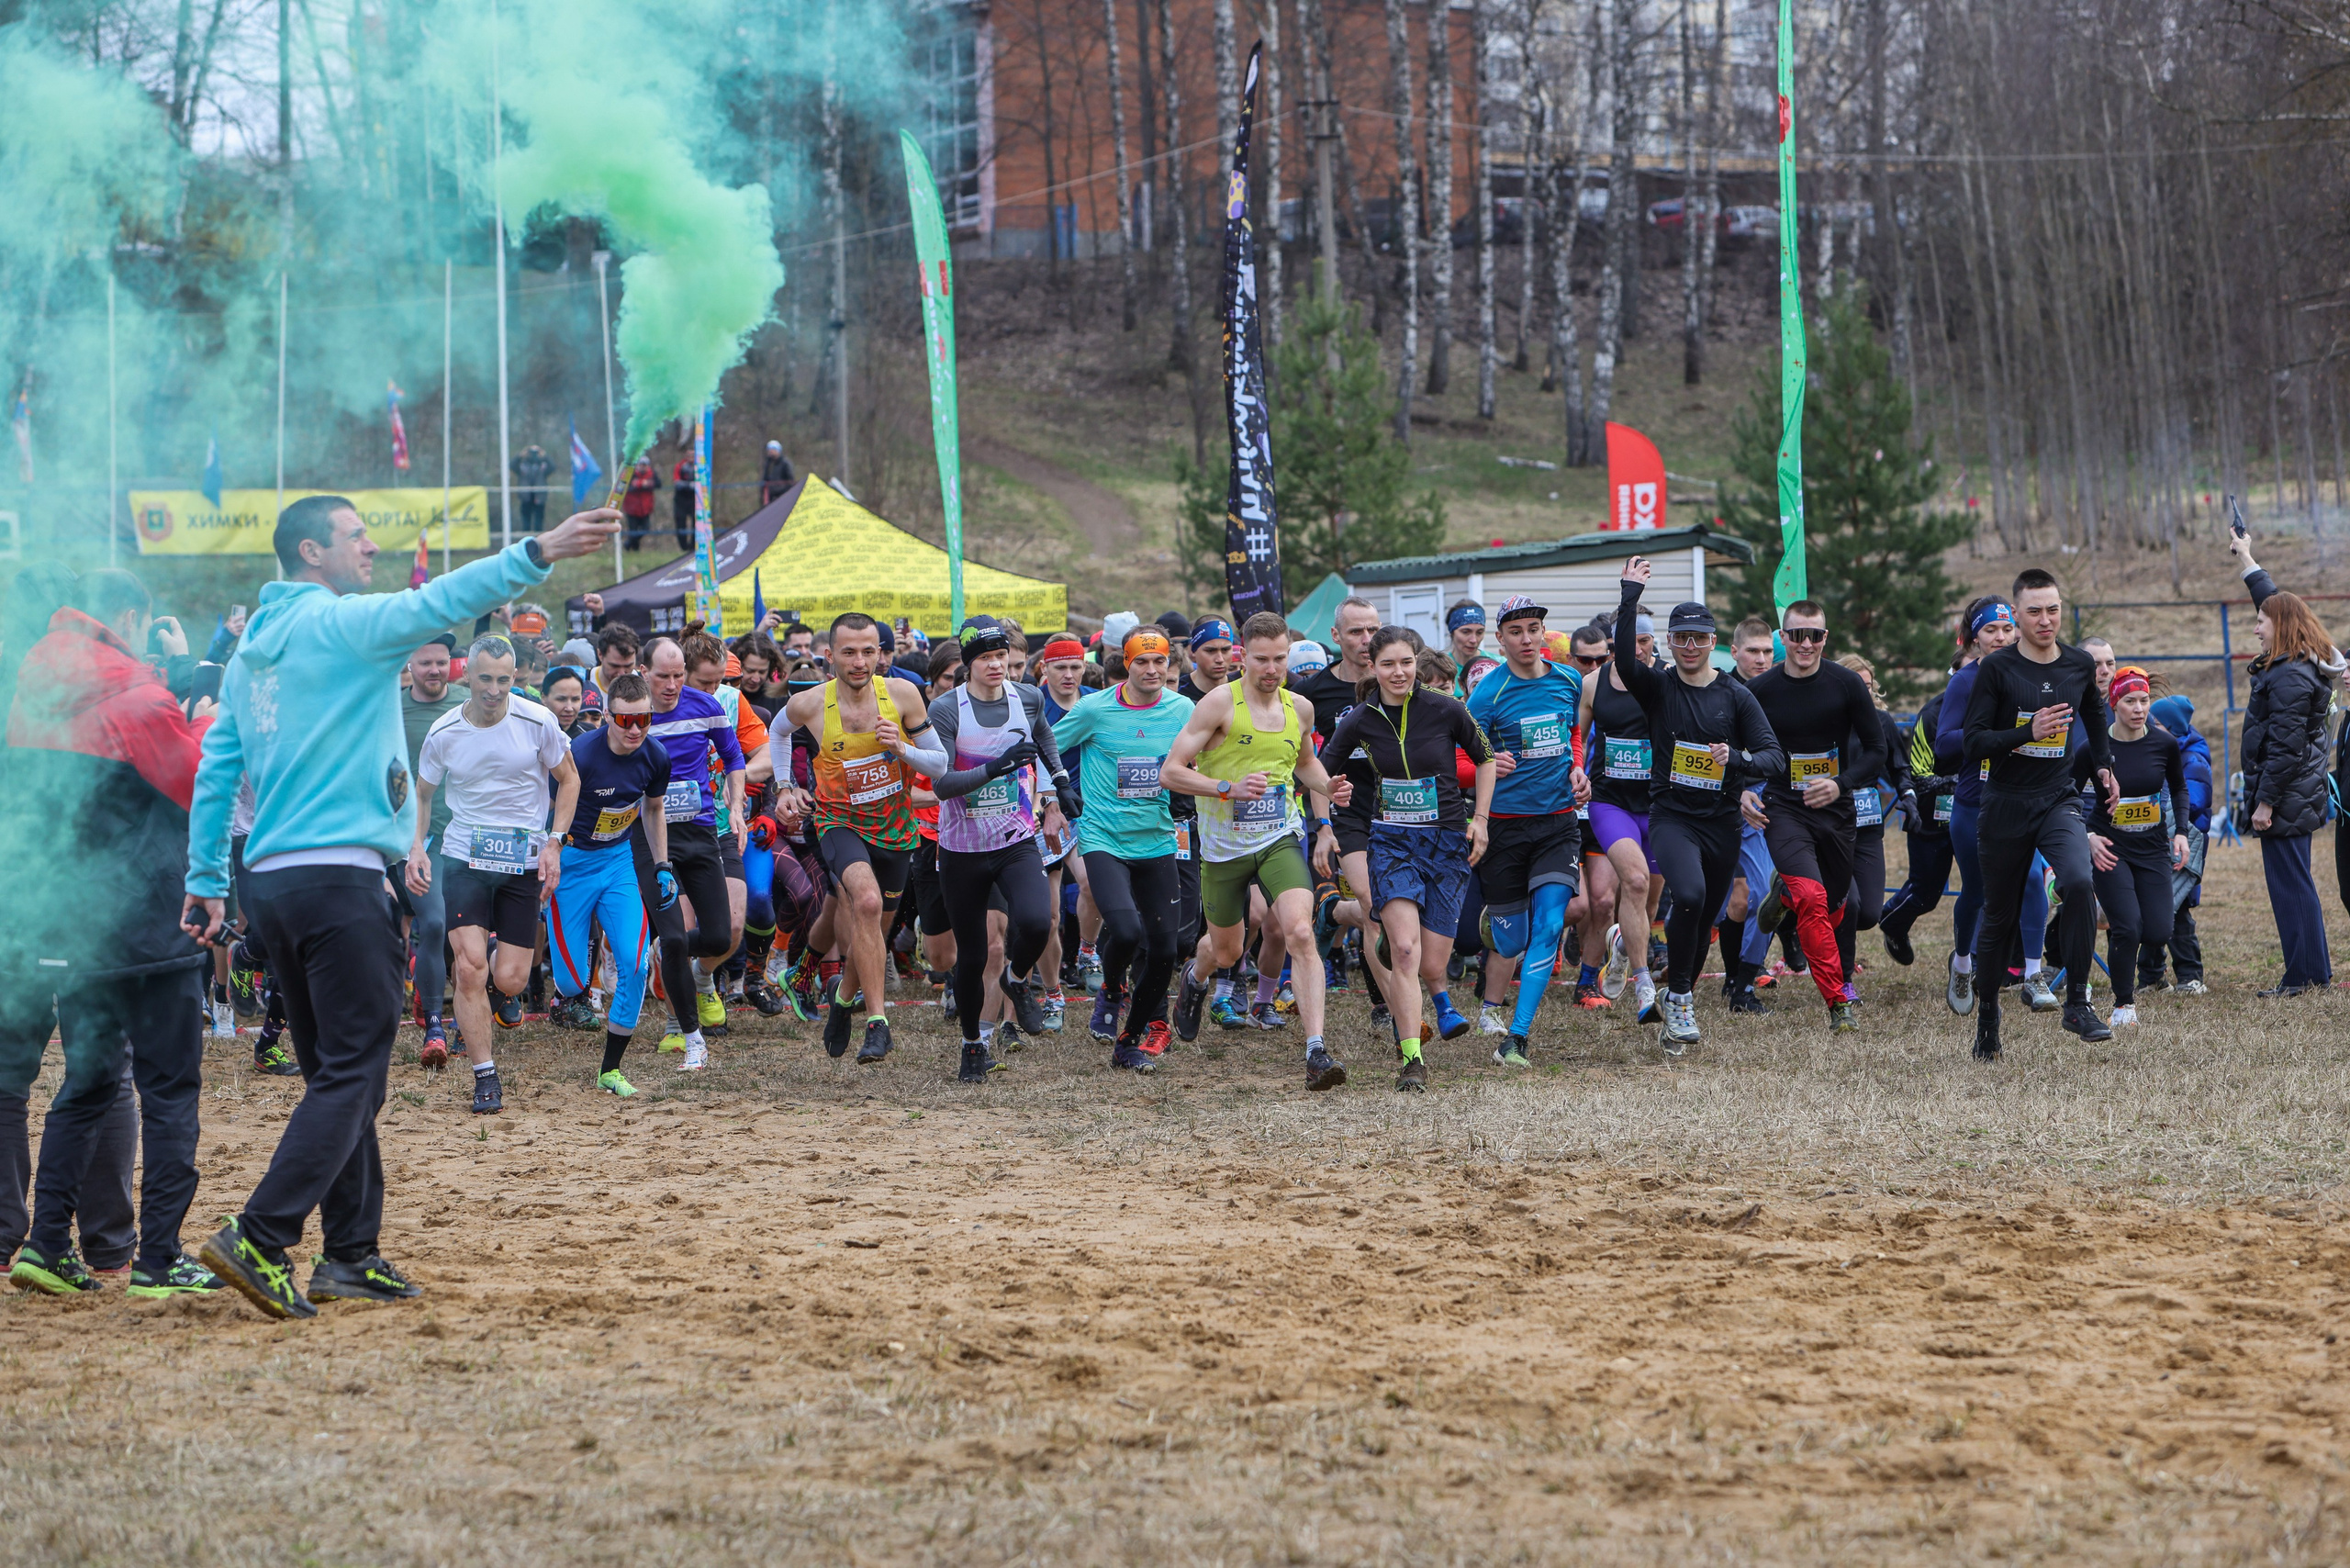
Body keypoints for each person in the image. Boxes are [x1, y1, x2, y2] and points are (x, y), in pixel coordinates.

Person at [183, 494, 619, 1319]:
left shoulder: (247, 658)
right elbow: (437, 604)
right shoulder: (337, 623)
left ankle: (349, 1252)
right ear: (313, 551)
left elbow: (216, 771)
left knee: (336, 1076)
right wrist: (540, 549)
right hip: (338, 879)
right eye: (356, 535)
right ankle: (262, 1237)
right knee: (353, 1071)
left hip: (270, 882)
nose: (372, 546)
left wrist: (206, 878)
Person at [2, 567, 222, 1298]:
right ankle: (158, 1258)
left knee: (89, 1080)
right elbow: (195, 782)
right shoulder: (137, 695)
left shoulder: (35, 681)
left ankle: (43, 1247)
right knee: (168, 1090)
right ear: (131, 617)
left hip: (74, 921)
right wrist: (207, 716)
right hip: (148, 921)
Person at [1165, 612, 1355, 1090]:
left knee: (1299, 931)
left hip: (1278, 837)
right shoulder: (1217, 704)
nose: (1272, 669)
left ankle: (1316, 1050)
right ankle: (1195, 976)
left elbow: (1306, 764)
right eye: (1262, 659)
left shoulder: (1300, 708)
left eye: (1280, 659)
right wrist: (1226, 786)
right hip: (1224, 847)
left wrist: (1327, 787)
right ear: (1241, 656)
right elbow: (1172, 772)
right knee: (1227, 951)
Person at [1609, 560, 1784, 1052]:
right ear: (1668, 643)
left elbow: (1773, 757)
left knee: (1703, 917)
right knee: (1687, 894)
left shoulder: (1736, 695)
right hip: (1672, 815)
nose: (1689, 646)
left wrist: (1738, 760)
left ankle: (1669, 982)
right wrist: (1629, 595)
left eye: (1698, 638)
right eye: (1680, 638)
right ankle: (1681, 998)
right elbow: (1624, 661)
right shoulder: (1659, 686)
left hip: (1721, 821)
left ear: (1714, 644)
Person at [406, 633, 578, 1114]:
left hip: (523, 861)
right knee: (469, 968)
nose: (495, 689)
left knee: (510, 981)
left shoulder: (537, 720)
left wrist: (554, 842)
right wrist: (417, 846)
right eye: (485, 678)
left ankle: (501, 964)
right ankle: (485, 1076)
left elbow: (569, 780)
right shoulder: (444, 732)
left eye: (504, 680)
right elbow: (422, 795)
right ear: (468, 675)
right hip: (465, 858)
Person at [1326, 626, 1494, 1091]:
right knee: (1404, 951)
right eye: (1387, 664)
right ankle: (1412, 1060)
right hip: (1392, 841)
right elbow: (1322, 769)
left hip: (1444, 843)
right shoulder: (1359, 719)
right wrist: (1329, 795)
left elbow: (1486, 758)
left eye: (1405, 663)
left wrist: (1478, 818)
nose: (1398, 673)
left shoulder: (1446, 708)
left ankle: (1404, 955)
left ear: (1416, 662)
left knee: (1432, 963)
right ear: (1371, 666)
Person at [1960, 566, 2118, 1060]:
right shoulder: (1997, 670)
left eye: (2053, 609)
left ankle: (2076, 1003)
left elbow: (2093, 709)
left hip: (2057, 797)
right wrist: (2028, 732)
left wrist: (2105, 764)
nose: (2046, 620)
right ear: (2017, 615)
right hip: (2005, 803)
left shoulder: (2076, 664)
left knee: (2077, 882)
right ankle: (1988, 1016)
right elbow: (1974, 742)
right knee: (1999, 918)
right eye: (2034, 611)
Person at [917, 618, 1079, 1083]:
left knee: (1035, 921)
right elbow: (944, 784)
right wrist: (994, 769)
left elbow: (1043, 735)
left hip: (1014, 840)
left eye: (1002, 657)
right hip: (962, 848)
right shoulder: (947, 709)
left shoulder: (1026, 696)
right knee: (970, 957)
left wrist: (1059, 786)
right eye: (985, 658)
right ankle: (972, 1045)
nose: (997, 665)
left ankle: (1017, 978)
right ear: (968, 664)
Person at [774, 613, 938, 1066]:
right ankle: (878, 1024)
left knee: (873, 931)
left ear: (882, 654)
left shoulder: (903, 695)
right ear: (830, 656)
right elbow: (778, 731)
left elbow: (939, 765)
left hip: (894, 829)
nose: (860, 661)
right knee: (862, 904)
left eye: (869, 651)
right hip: (838, 823)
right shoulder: (811, 704)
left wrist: (903, 748)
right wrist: (785, 786)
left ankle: (843, 1002)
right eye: (849, 652)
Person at [1052, 629, 1194, 1070]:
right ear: (1125, 664)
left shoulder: (1183, 710)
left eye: (1160, 663)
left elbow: (1208, 756)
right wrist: (1052, 800)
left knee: (1165, 951)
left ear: (1170, 665)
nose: (1152, 671)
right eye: (1141, 663)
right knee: (1128, 933)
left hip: (1157, 838)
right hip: (1103, 837)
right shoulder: (1094, 709)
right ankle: (1112, 988)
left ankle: (1129, 1041)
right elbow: (1047, 749)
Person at [1739, 600, 1884, 1030]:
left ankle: (1783, 895)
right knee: (1813, 899)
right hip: (1783, 806)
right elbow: (1729, 750)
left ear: (1825, 638)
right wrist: (1743, 792)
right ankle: (1838, 1002)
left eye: (1815, 635)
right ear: (1783, 639)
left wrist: (1840, 783)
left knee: (1838, 906)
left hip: (1835, 809)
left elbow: (1877, 751)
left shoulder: (1846, 685)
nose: (1806, 643)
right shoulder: (1760, 690)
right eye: (1797, 635)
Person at [1463, 595, 1590, 1066]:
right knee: (1512, 941)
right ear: (1500, 639)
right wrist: (1485, 760)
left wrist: (1578, 769)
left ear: (1543, 633)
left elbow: (1572, 735)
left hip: (1558, 824)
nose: (1526, 639)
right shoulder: (1487, 694)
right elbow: (1457, 755)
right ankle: (1495, 927)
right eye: (1515, 632)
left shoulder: (1568, 680)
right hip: (1504, 829)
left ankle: (1516, 1036)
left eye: (1533, 629)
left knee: (1550, 926)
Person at [544, 673, 679, 1095]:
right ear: (607, 716)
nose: (635, 729)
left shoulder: (655, 757)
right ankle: (564, 991)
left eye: (644, 719)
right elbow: (549, 808)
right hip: (572, 866)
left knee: (636, 963)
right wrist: (550, 855)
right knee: (571, 983)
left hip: (618, 863)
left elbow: (654, 811)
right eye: (625, 720)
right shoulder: (580, 755)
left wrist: (662, 865)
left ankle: (610, 1069)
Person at [2232, 534, 2342, 995]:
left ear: (2281, 625)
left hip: (2285, 798)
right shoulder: (2300, 659)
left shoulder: (2291, 676)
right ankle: (2312, 971)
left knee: (2290, 887)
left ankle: (2302, 976)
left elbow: (2286, 748)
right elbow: (2273, 598)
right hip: (2294, 796)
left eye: (2261, 621)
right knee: (2296, 883)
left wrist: (2264, 802)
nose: (2256, 628)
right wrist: (2246, 557)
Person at [1935, 599, 2055, 1015]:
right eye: (1991, 631)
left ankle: (2034, 974)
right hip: (1976, 801)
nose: (2001, 638)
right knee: (1979, 890)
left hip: (2026, 797)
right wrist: (1995, 733)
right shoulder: (1965, 682)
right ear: (1975, 638)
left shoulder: (2038, 676)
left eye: (2007, 629)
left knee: (2032, 880)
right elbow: (1943, 748)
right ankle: (1963, 963)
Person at [643, 636, 745, 1065]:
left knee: (721, 936)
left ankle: (675, 959)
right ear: (642, 672)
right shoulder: (632, 715)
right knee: (675, 935)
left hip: (701, 832)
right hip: (651, 837)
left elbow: (735, 759)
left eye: (678, 675)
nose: (671, 684)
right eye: (662, 676)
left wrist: (736, 807)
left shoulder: (706, 707)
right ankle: (689, 1037)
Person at [2085, 666, 2191, 1027]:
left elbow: (2179, 787)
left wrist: (2181, 832)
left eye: (2144, 700)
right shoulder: (2095, 748)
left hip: (2152, 847)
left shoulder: (2164, 743)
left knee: (2158, 930)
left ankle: (2108, 909)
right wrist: (2086, 836)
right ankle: (2123, 1004)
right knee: (2128, 927)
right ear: (2114, 704)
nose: (2139, 708)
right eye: (2130, 701)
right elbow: (2063, 793)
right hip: (2110, 847)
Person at [1577, 602, 1665, 1023]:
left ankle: (1620, 949)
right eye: (1631, 640)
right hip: (1610, 803)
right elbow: (1574, 740)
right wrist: (1576, 773)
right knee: (1633, 879)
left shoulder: (1668, 684)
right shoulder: (1593, 684)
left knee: (1646, 908)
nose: (1639, 648)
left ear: (1654, 642)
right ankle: (1645, 985)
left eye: (1645, 640)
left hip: (1659, 806)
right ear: (1615, 643)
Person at [397, 635, 464, 1062]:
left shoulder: (465, 702)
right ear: (411, 665)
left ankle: (434, 1012)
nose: (435, 670)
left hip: (454, 835)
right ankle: (435, 1025)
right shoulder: (390, 710)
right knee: (430, 924)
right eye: (426, 663)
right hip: (402, 838)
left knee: (448, 928)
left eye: (442, 662)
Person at [2145, 694, 2210, 995]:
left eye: (2155, 723)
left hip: (2182, 847)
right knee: (2150, 909)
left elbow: (2194, 802)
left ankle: (2190, 975)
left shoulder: (2192, 758)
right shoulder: (2158, 750)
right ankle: (2151, 976)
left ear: (2173, 728)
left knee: (2177, 911)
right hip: (2159, 841)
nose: (2149, 726)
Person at [512, 444, 554, 534]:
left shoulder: (543, 466)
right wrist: (520, 455)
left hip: (539, 496)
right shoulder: (523, 465)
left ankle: (538, 539)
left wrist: (544, 456)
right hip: (526, 496)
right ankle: (525, 539)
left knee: (539, 521)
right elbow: (512, 466)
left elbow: (552, 468)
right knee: (526, 521)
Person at [591, 624, 641, 698]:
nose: (621, 674)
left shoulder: (646, 683)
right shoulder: (583, 682)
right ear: (600, 654)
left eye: (628, 666)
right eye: (615, 666)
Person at [621, 458, 659, 552]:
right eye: (641, 465)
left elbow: (658, 484)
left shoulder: (652, 474)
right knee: (633, 530)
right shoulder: (631, 474)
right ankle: (635, 549)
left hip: (645, 508)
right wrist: (638, 484)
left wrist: (649, 484)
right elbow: (624, 486)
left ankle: (628, 543)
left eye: (645, 465)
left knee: (645, 529)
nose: (643, 467)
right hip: (632, 508)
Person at [671, 454, 699, 552]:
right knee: (680, 523)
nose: (691, 457)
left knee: (697, 522)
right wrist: (690, 485)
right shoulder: (680, 466)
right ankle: (683, 547)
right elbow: (677, 483)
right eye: (689, 455)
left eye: (693, 455)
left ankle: (693, 547)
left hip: (694, 499)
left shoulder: (699, 466)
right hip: (681, 499)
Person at [760, 440, 797, 507]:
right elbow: (765, 480)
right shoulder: (768, 464)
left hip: (783, 496)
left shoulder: (785, 463)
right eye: (769, 450)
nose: (770, 452)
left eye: (772, 449)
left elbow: (790, 481)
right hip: (770, 497)